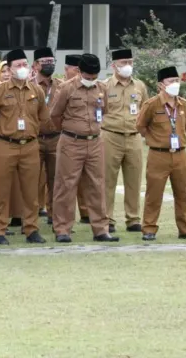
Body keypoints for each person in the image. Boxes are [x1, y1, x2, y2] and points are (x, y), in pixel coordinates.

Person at [0, 49, 50, 245]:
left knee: (31, 190)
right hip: (6, 145)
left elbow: (43, 117)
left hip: (30, 145)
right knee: (1, 190)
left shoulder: (36, 90)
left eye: (25, 65)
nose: (23, 69)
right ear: (9, 69)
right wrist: (4, 130)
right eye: (18, 66)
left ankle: (31, 229)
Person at [50, 53, 117, 243]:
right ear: (79, 72)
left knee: (97, 185)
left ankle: (101, 229)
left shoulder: (101, 88)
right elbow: (55, 115)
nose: (91, 80)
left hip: (95, 141)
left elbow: (104, 111)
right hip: (71, 142)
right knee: (66, 185)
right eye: (87, 77)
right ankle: (62, 229)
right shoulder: (66, 88)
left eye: (94, 76)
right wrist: (69, 131)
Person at [137, 66, 186, 241]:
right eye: (171, 81)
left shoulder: (184, 104)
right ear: (161, 85)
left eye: (177, 80)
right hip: (158, 154)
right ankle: (149, 229)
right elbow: (141, 126)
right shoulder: (151, 105)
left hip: (181, 155)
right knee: (154, 193)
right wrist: (154, 139)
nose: (175, 84)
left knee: (183, 193)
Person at [103, 48, 149, 233]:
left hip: (133, 136)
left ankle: (133, 219)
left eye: (130, 62)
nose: (127, 66)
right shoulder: (104, 86)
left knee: (134, 180)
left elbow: (145, 110)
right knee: (107, 180)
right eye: (123, 63)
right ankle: (107, 219)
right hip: (110, 135)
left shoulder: (139, 86)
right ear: (114, 65)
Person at [32, 47, 62, 224]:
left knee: (57, 179)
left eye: (52, 62)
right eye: (45, 62)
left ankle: (55, 216)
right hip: (35, 139)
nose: (49, 65)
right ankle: (31, 216)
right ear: (35, 65)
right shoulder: (29, 86)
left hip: (56, 138)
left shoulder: (61, 86)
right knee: (33, 179)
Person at [63, 53, 90, 224]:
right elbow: (56, 114)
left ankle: (87, 212)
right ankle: (65, 219)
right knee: (68, 181)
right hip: (68, 138)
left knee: (88, 180)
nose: (65, 72)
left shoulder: (94, 87)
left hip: (89, 140)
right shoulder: (64, 88)